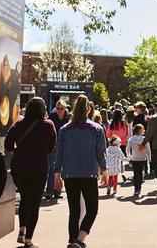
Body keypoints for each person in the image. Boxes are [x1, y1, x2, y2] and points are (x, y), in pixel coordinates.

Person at [54, 95, 107, 248]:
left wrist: (57, 172)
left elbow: (60, 152)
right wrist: (104, 169)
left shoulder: (64, 129)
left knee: (74, 210)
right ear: (89, 109)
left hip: (70, 174)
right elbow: (100, 152)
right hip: (88, 173)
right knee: (92, 209)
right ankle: (80, 239)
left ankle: (71, 239)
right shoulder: (96, 129)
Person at [5, 97, 56, 247]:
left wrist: (18, 151)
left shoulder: (18, 124)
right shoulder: (48, 125)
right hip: (38, 168)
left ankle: (21, 229)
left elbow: (7, 145)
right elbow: (52, 146)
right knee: (34, 203)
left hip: (19, 168)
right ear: (42, 109)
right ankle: (28, 240)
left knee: (25, 198)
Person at [46, 100, 71, 199]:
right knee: (52, 167)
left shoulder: (69, 117)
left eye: (61, 108)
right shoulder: (52, 117)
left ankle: (58, 189)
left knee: (63, 168)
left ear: (65, 108)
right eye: (58, 108)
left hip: (66, 145)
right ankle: (49, 190)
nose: (59, 110)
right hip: (53, 145)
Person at [126, 124, 151, 197]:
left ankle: (136, 189)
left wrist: (129, 156)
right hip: (142, 158)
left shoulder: (131, 139)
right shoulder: (144, 139)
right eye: (143, 129)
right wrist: (149, 159)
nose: (144, 130)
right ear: (139, 130)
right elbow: (148, 150)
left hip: (134, 159)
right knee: (140, 173)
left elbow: (127, 149)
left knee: (136, 174)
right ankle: (138, 188)